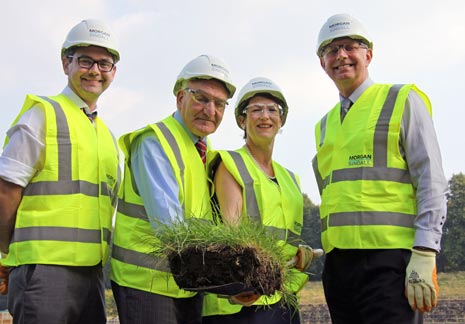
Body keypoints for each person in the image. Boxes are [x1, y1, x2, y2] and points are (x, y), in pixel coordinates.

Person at [312, 13, 448, 324]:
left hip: (390, 263)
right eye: (331, 50)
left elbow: (430, 179)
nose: (341, 56)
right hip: (338, 270)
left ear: (368, 54)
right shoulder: (324, 126)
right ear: (322, 63)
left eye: (350, 46)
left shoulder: (402, 100)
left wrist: (426, 250)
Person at [0, 19, 121, 323]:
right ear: (65, 63)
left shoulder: (106, 136)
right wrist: (5, 253)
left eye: (104, 63)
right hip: (43, 271)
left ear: (114, 71)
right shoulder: (43, 114)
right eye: (85, 61)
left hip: (91, 273)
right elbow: (5, 190)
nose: (95, 70)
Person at [110, 54, 236, 324]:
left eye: (219, 104)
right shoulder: (155, 142)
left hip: (186, 284)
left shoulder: (202, 150)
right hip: (147, 284)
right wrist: (232, 277)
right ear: (180, 98)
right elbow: (171, 228)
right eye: (201, 98)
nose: (210, 110)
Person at [202, 77, 320, 324]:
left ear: (281, 120)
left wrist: (297, 253)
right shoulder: (230, 164)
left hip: (282, 296)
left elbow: (283, 237)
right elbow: (233, 238)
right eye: (255, 110)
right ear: (242, 121)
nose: (264, 116)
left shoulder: (290, 179)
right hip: (243, 302)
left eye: (271, 110)